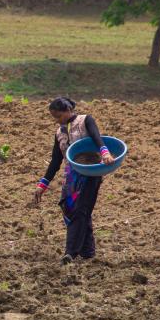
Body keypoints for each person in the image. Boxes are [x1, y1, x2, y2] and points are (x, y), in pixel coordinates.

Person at [34, 97, 114, 265]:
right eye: (54, 118)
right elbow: (56, 160)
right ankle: (87, 251)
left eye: (58, 116)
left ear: (67, 110)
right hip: (71, 175)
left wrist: (105, 152)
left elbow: (97, 137)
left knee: (81, 210)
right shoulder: (59, 132)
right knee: (69, 208)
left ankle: (70, 252)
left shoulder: (85, 120)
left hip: (90, 172)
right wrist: (43, 184)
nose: (56, 121)